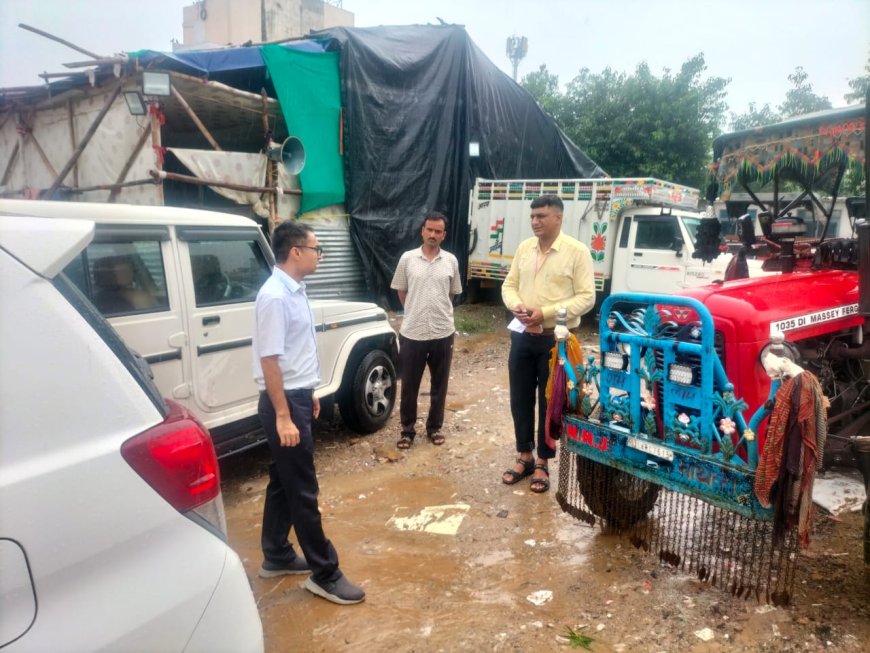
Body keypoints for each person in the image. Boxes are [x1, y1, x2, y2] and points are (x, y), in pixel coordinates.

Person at [252, 220, 365, 605]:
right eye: (317, 248)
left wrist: (309, 391)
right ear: (296, 252)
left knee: (283, 480)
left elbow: (294, 352)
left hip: (298, 395)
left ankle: (277, 554)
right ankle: (325, 573)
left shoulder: (295, 289)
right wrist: (284, 415)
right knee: (303, 489)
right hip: (284, 402)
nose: (321, 255)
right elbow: (269, 360)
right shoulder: (275, 297)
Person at [500, 195, 595, 493]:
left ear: (558, 218)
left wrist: (546, 313)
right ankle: (524, 455)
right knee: (520, 398)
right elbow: (509, 285)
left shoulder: (576, 252)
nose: (535, 221)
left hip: (556, 340)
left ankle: (542, 461)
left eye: (541, 216)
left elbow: (586, 297)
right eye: (532, 216)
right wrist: (518, 306)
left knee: (550, 401)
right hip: (522, 335)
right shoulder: (524, 249)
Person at [390, 211, 462, 449]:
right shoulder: (407, 259)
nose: (432, 234)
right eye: (429, 229)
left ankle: (434, 428)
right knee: (409, 385)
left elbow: (451, 294)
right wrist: (415, 310)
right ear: (422, 230)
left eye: (438, 231)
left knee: (440, 385)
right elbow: (402, 291)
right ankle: (407, 430)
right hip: (413, 332)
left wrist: (438, 310)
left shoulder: (451, 261)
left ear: (444, 235)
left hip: (443, 332)